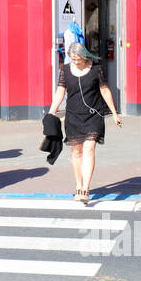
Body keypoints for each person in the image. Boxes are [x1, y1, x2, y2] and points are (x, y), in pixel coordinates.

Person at [50, 41, 122, 204]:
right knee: (76, 152)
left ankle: (86, 188)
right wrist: (51, 112)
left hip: (93, 116)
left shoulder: (96, 69)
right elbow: (60, 92)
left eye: (77, 59)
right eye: (72, 59)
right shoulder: (66, 70)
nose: (75, 62)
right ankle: (78, 183)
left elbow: (104, 90)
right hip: (73, 117)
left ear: (84, 56)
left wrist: (115, 113)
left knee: (89, 148)